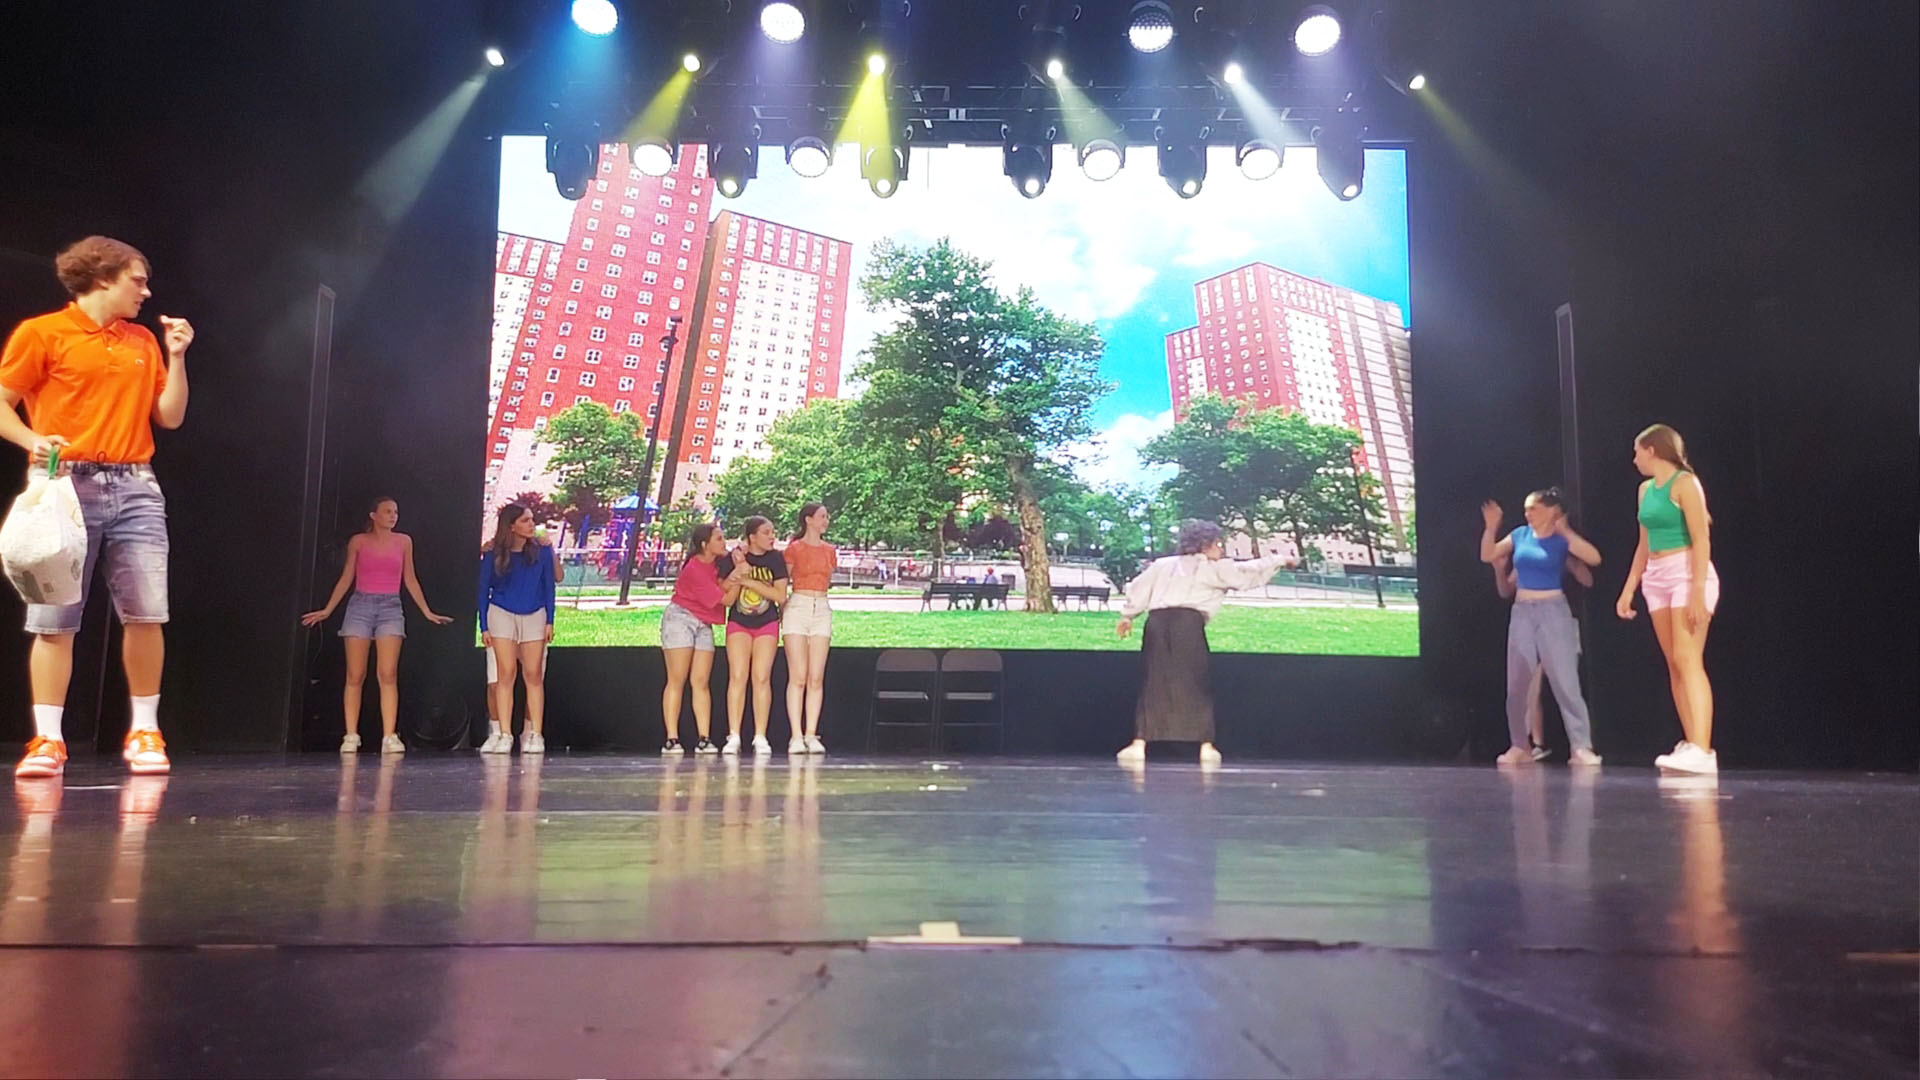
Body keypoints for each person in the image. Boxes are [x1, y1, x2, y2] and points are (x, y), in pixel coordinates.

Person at [1, 237, 192, 779]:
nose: (146, 292)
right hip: (63, 484)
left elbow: (170, 416)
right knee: (54, 618)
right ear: (103, 277)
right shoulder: (43, 333)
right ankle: (47, 739)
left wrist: (177, 356)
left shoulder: (142, 340)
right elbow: (3, 401)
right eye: (137, 280)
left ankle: (145, 731)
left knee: (147, 612)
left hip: (135, 485)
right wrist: (31, 439)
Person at [1115, 520, 1287, 767]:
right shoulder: (1213, 568)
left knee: (1155, 680)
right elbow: (1247, 573)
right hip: (1187, 625)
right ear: (1205, 545)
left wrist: (1128, 615)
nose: (1221, 549)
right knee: (1195, 681)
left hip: (1157, 625)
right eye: (1218, 544)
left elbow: (1140, 589)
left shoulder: (1162, 565)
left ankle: (1139, 744)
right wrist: (1279, 560)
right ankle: (1205, 746)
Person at [301, 497, 454, 753]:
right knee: (355, 675)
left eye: (396, 512)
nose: (393, 516)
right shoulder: (358, 541)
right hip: (360, 605)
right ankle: (351, 735)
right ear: (373, 515)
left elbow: (410, 579)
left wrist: (426, 611)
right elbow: (347, 577)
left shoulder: (404, 541)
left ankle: (389, 736)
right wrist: (328, 610)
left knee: (388, 674)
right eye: (387, 511)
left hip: (390, 607)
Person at [1616, 424, 1721, 774]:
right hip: (1656, 577)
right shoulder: (1645, 490)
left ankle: (1703, 750)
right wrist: (1629, 588)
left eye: (1637, 451)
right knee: (1673, 663)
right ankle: (1692, 743)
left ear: (1652, 450)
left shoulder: (1685, 483)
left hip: (1687, 572)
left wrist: (1697, 592)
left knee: (1688, 658)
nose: (1634, 458)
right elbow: (1643, 544)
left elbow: (1701, 539)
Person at [1480, 490, 1604, 766]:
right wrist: (1491, 527)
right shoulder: (1520, 535)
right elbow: (1488, 554)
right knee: (1516, 684)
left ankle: (1581, 747)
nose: (1527, 514)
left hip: (1553, 611)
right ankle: (1519, 745)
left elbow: (1594, 558)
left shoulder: (1561, 540)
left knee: (1565, 682)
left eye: (1533, 508)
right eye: (1526, 509)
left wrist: (1565, 530)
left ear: (1551, 510)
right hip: (1523, 612)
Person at [1493, 539, 1596, 760]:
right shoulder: (1527, 556)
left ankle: (1579, 746)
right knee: (1528, 686)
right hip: (1529, 619)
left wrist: (1571, 561)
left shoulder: (1561, 550)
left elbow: (1587, 579)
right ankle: (1529, 743)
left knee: (1566, 685)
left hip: (1560, 622)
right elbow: (1505, 589)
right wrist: (1499, 569)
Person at [660, 522, 745, 755]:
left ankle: (704, 738)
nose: (723, 542)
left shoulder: (716, 564)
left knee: (701, 681)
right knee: (677, 679)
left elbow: (723, 584)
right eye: (719, 538)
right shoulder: (694, 569)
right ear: (705, 544)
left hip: (704, 622)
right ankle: (671, 738)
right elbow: (726, 599)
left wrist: (737, 569)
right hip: (681, 619)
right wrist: (741, 576)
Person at [478, 504, 557, 754]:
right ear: (511, 526)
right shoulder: (493, 553)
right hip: (501, 612)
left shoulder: (542, 551)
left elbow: (549, 586)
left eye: (532, 519)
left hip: (534, 613)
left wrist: (550, 620)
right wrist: (484, 626)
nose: (531, 524)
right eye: (525, 520)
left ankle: (535, 734)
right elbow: (483, 590)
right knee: (505, 674)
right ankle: (504, 734)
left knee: (533, 674)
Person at [717, 517, 790, 754]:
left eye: (772, 532)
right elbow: (724, 591)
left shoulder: (776, 559)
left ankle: (760, 735)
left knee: (761, 677)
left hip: (767, 622)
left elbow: (779, 595)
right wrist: (738, 570)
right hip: (739, 621)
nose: (772, 537)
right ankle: (734, 735)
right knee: (738, 676)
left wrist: (748, 580)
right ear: (752, 536)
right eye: (766, 532)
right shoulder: (734, 558)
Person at [778, 503, 836, 757]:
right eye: (822, 516)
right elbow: (784, 582)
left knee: (816, 676)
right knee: (798, 676)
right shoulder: (794, 549)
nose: (826, 520)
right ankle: (796, 735)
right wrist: (784, 610)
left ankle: (811, 734)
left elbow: (828, 580)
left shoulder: (830, 550)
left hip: (821, 606)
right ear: (808, 520)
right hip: (798, 605)